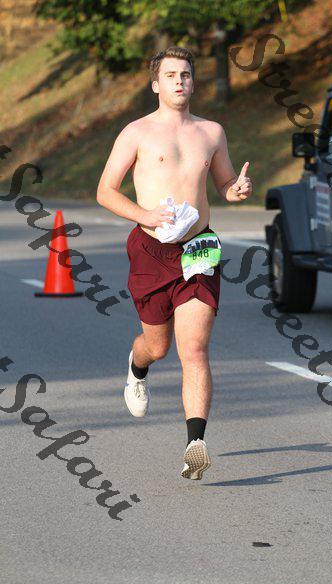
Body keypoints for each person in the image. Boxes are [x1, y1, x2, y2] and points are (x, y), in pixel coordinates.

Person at [96, 46, 252, 480]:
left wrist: (235, 190)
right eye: (170, 75)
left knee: (194, 348)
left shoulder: (212, 132)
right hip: (151, 250)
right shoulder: (136, 133)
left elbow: (223, 183)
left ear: (193, 82)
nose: (179, 81)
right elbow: (106, 191)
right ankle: (137, 366)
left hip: (199, 249)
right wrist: (145, 215)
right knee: (158, 346)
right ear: (155, 85)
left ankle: (194, 444)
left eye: (185, 74)